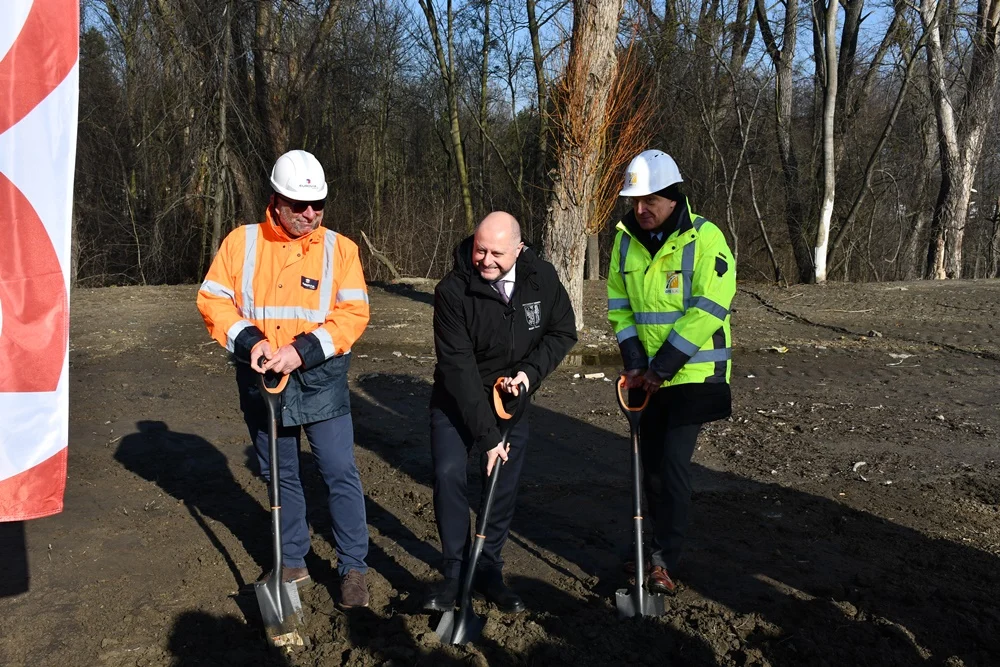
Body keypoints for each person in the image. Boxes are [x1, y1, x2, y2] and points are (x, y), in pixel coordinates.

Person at [197, 149, 372, 608]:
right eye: (299, 205)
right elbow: (214, 300)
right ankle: (292, 559)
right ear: (275, 200)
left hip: (320, 378)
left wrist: (302, 351)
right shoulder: (241, 243)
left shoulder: (341, 249)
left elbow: (353, 314)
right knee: (282, 474)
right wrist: (249, 341)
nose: (310, 214)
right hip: (262, 378)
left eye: (318, 205)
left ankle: (354, 567)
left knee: (338, 469)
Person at [424, 212, 577, 613]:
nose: (486, 260)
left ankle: (489, 568)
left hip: (511, 398)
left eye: (496, 253)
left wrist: (527, 375)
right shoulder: (453, 291)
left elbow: (562, 331)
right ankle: (455, 572)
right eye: (480, 250)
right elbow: (458, 368)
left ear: (518, 249)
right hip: (457, 398)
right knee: (448, 474)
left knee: (501, 486)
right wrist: (489, 438)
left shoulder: (540, 277)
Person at [607, 149, 736, 595]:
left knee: (673, 466)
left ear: (673, 197)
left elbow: (709, 309)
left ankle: (663, 562)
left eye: (650, 202)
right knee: (650, 470)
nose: (640, 210)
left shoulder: (706, 238)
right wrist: (636, 365)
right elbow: (619, 306)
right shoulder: (625, 239)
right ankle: (644, 549)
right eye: (635, 202)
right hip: (647, 378)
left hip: (692, 377)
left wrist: (661, 369)